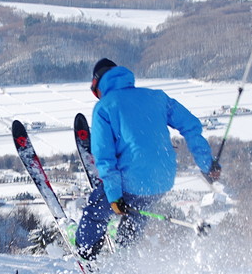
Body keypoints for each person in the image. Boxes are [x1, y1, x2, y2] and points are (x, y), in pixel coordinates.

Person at [75, 58, 221, 260]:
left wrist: (115, 195)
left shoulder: (105, 107)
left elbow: (104, 156)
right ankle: (126, 256)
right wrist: (207, 164)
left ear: (98, 85)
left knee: (95, 214)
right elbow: (191, 125)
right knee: (137, 213)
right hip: (162, 180)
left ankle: (85, 254)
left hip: (129, 183)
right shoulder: (157, 97)